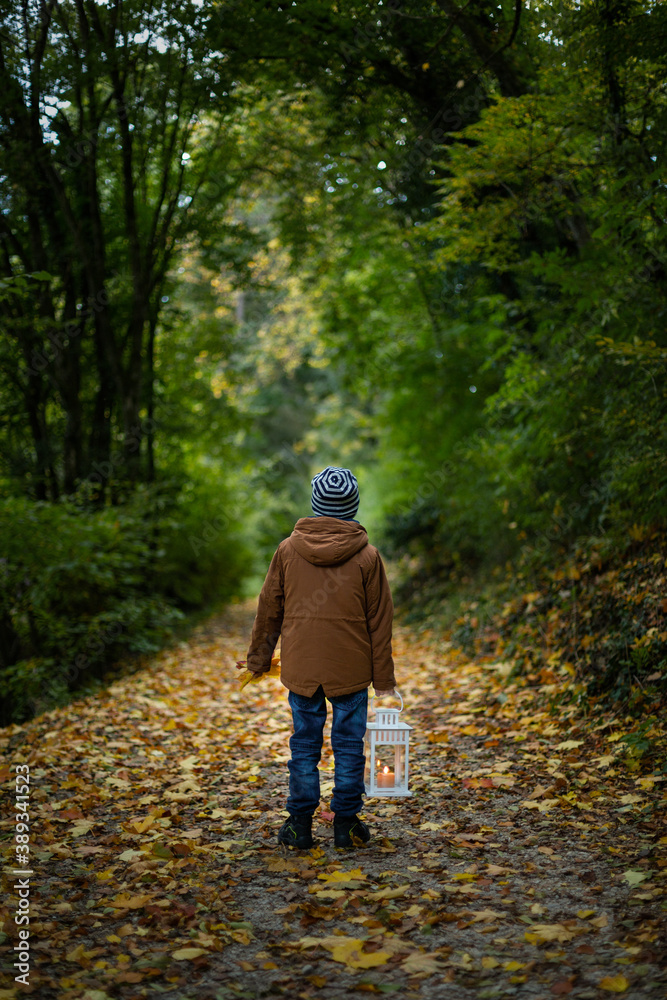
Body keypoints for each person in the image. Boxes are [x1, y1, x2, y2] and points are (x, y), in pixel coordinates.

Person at [245, 466, 396, 850]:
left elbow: (269, 609)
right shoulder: (368, 558)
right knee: (348, 745)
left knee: (304, 746)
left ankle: (299, 825)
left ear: (315, 505)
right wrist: (385, 683)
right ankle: (345, 824)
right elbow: (380, 623)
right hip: (352, 670)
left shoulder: (287, 551)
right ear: (352, 508)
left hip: (303, 670)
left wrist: (259, 659)